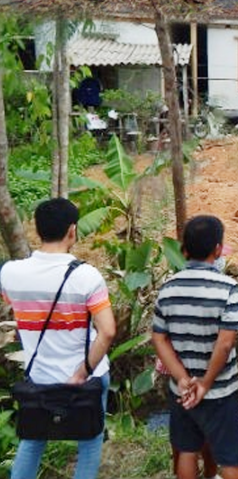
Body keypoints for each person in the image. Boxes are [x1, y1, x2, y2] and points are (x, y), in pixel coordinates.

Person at [0, 198, 116, 479]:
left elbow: (14, 306)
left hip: (39, 378)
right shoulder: (87, 276)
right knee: (89, 444)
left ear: (37, 231)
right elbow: (108, 331)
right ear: (72, 231)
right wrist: (83, 371)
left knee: (33, 440)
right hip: (86, 379)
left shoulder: (10, 273)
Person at [152, 215, 238, 479]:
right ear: (218, 249)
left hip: (181, 390)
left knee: (186, 450)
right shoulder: (228, 288)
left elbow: (159, 338)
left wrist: (183, 379)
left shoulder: (168, 289)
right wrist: (205, 382)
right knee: (230, 457)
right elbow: (226, 341)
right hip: (219, 390)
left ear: (183, 250)